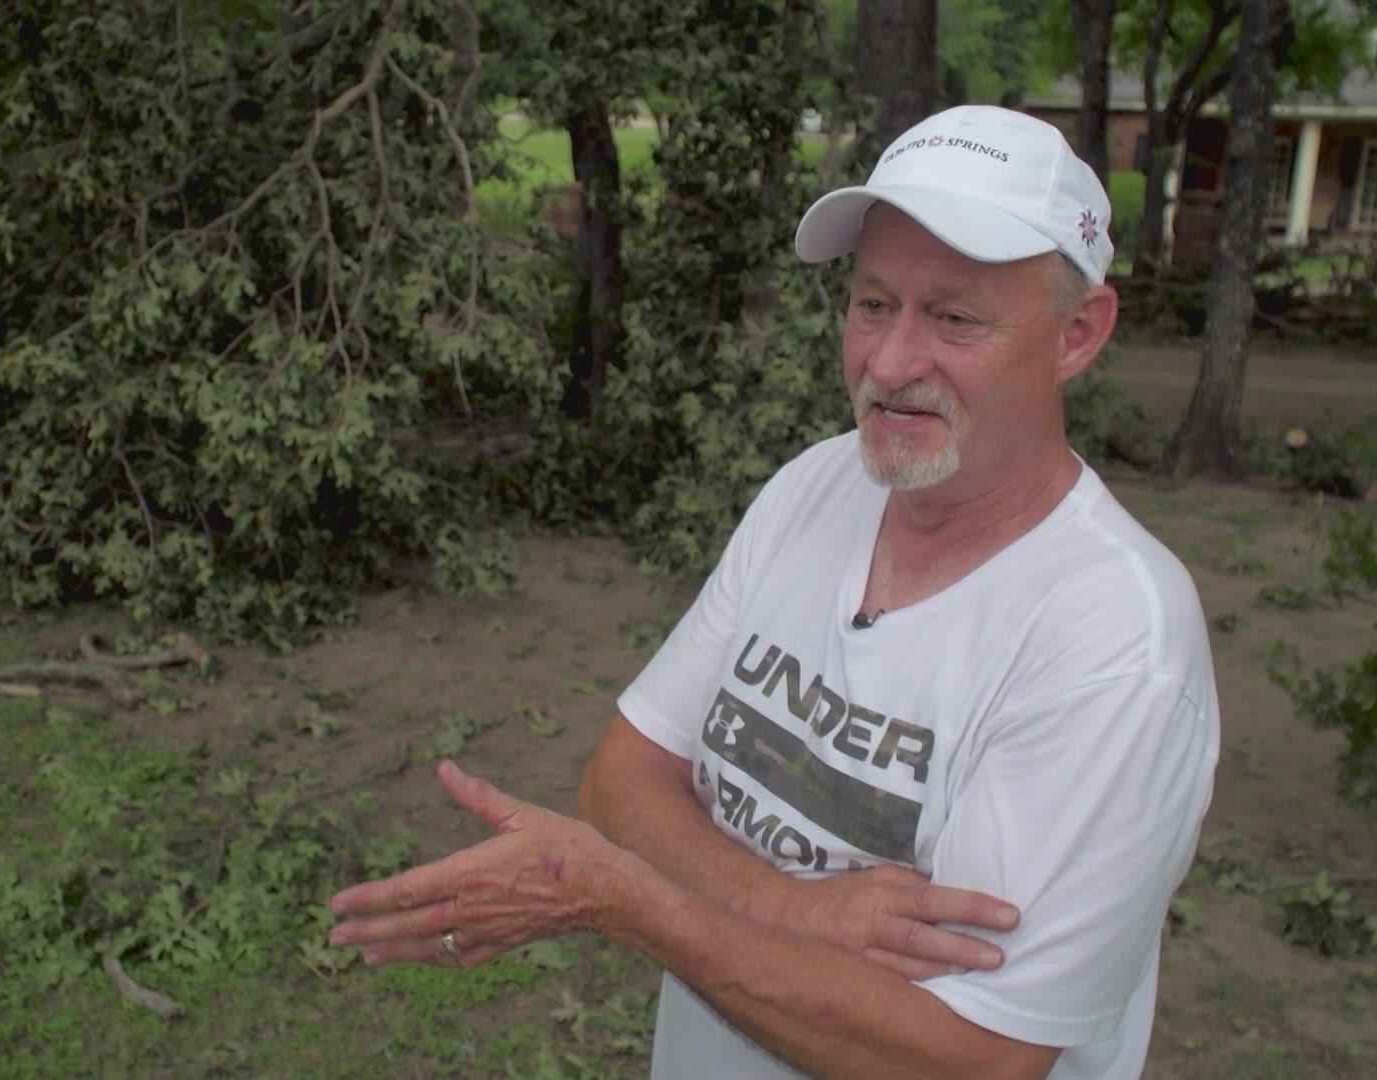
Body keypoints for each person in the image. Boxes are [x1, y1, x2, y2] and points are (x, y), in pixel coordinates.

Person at [327, 105, 1220, 1080]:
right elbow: (623, 777)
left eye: (955, 317)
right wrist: (796, 910)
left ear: (1077, 333)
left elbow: (972, 1058)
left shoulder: (1113, 639)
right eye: (874, 304)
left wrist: (630, 900)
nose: (887, 363)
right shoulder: (820, 485)